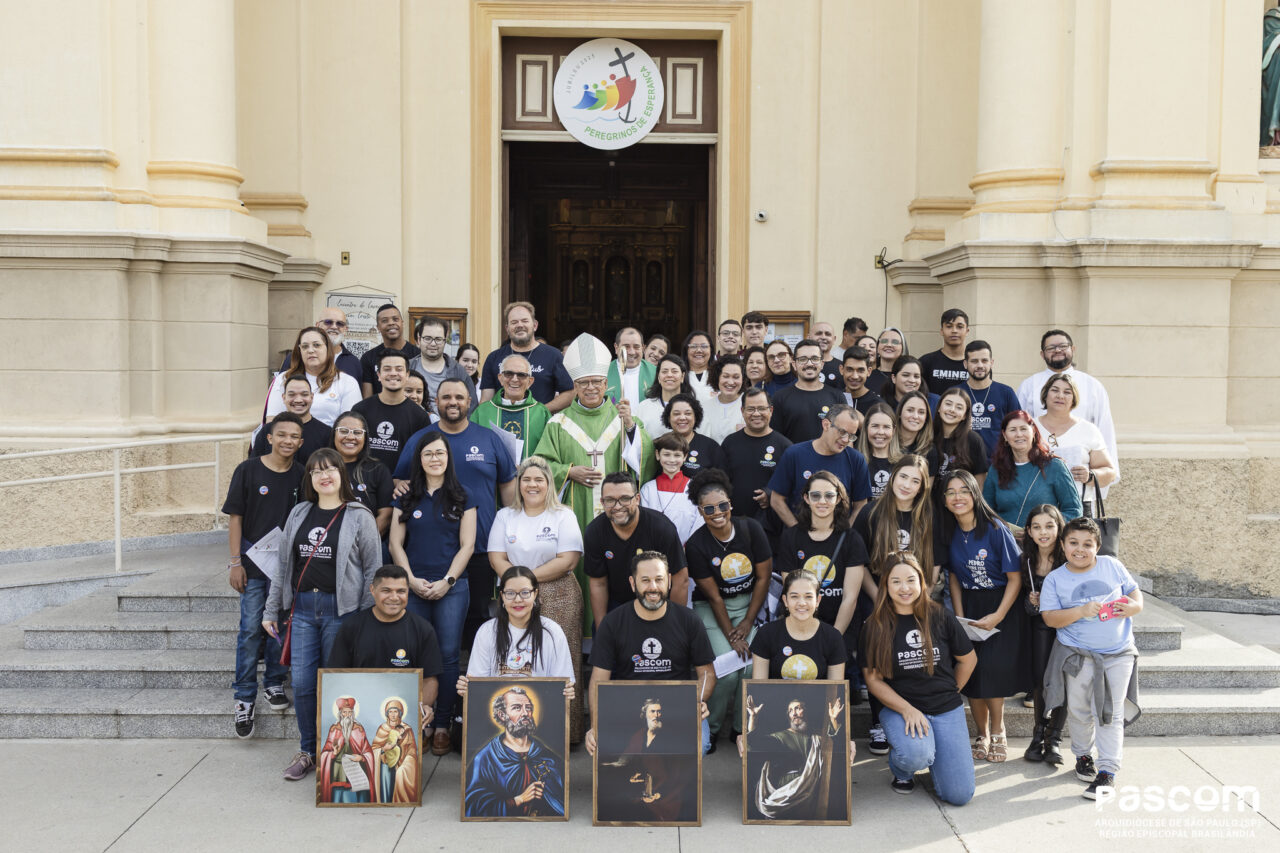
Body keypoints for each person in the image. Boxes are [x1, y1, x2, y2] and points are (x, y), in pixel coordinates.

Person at [262, 448, 382, 782]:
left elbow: (373, 570)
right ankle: (308, 751)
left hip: (340, 612)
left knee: (337, 685)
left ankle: (338, 754)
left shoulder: (359, 515)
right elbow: (283, 566)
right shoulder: (300, 513)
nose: (323, 475)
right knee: (301, 683)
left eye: (330, 469)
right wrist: (272, 608)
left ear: (342, 475)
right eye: (316, 471)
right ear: (310, 479)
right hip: (302, 611)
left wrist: (365, 616)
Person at [533, 333, 657, 631]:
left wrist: (629, 428)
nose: (590, 388)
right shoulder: (558, 423)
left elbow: (644, 463)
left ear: (606, 384)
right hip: (575, 514)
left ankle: (618, 633)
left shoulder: (623, 418)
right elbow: (537, 466)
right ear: (574, 387)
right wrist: (568, 471)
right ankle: (582, 640)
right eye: (583, 383)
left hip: (617, 515)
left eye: (596, 382)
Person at [394, 379, 517, 649]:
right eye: (446, 397)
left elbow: (508, 489)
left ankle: (467, 684)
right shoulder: (420, 440)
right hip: (429, 555)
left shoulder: (488, 438)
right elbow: (400, 482)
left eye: (459, 397)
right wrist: (399, 486)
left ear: (469, 402)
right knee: (428, 636)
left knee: (477, 621)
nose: (453, 402)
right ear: (436, 403)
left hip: (481, 548)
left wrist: (510, 536)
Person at [859, 554, 976, 803]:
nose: (904, 588)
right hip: (901, 709)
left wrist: (951, 692)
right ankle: (902, 769)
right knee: (917, 754)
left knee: (959, 795)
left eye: (911, 580)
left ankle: (935, 755)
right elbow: (873, 680)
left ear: (922, 582)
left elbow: (968, 660)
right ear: (886, 586)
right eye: (896, 581)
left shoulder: (941, 616)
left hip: (945, 708)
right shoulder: (875, 625)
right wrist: (907, 709)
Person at [388, 431, 478, 755]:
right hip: (413, 588)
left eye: (440, 453)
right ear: (420, 459)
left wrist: (448, 581)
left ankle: (441, 725)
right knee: (413, 656)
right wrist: (409, 580)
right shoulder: (407, 495)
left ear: (448, 458)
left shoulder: (463, 495)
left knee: (449, 654)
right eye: (428, 454)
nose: (435, 459)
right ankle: (416, 724)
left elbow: (468, 545)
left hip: (452, 589)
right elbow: (395, 543)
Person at [1040, 517, 1143, 799]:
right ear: (1062, 545)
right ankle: (1083, 755)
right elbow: (1050, 618)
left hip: (1117, 653)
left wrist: (1131, 607)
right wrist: (1081, 611)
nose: (1080, 549)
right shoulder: (1055, 579)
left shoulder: (1112, 566)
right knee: (1079, 710)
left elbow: (1136, 597)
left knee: (1109, 711)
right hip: (1076, 655)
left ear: (1098, 546)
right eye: (1073, 543)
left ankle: (1108, 771)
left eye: (1088, 544)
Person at [326, 564, 443, 803]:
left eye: (401, 591)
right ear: (372, 590)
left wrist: (425, 707)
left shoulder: (422, 629)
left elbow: (430, 678)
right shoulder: (352, 627)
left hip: (402, 717)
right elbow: (335, 678)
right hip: (360, 717)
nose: (394, 597)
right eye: (386, 590)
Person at [487, 459, 585, 739]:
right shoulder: (505, 515)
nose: (532, 484)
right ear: (518, 484)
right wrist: (520, 588)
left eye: (539, 479)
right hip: (515, 595)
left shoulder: (563, 515)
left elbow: (568, 560)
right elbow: (496, 557)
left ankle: (566, 732)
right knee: (517, 658)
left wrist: (524, 581)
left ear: (549, 484)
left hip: (559, 592)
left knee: (561, 660)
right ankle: (519, 729)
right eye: (526, 479)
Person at [584, 551, 717, 756]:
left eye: (659, 579)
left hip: (678, 707)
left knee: (700, 745)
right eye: (645, 580)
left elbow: (707, 674)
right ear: (632, 583)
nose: (653, 587)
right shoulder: (612, 623)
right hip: (627, 707)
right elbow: (597, 681)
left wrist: (697, 702)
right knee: (605, 747)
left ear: (669, 581)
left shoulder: (689, 621)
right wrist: (595, 726)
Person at [224, 412, 304, 738]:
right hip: (253, 566)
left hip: (286, 569)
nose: (288, 441)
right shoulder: (248, 470)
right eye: (281, 435)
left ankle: (273, 681)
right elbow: (235, 518)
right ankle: (244, 697)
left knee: (280, 628)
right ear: (269, 437)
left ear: (301, 442)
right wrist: (234, 562)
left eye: (294, 437)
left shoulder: (301, 475)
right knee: (249, 630)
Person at [940, 470, 1025, 764]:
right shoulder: (948, 530)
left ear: (975, 494)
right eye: (951, 492)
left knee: (991, 671)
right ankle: (981, 733)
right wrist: (960, 619)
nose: (957, 497)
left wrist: (998, 616)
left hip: (999, 603)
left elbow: (1015, 578)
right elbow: (953, 578)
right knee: (972, 673)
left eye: (963, 490)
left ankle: (998, 731)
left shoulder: (994, 528)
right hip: (968, 605)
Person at [685, 468, 772, 748]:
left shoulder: (750, 529)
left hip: (750, 603)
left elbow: (763, 578)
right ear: (700, 511)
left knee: (750, 668)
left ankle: (741, 729)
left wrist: (747, 623)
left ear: (730, 504)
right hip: (712, 609)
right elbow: (714, 598)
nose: (717, 512)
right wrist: (733, 636)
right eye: (709, 508)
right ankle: (709, 728)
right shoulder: (697, 544)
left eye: (722, 505)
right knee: (725, 669)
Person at [774, 473, 868, 691]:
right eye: (815, 495)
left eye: (829, 495)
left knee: (845, 692)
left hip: (840, 624)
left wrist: (831, 638)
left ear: (838, 499)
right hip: (802, 620)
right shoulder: (792, 537)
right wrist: (808, 637)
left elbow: (850, 597)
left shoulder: (851, 539)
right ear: (806, 498)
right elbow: (793, 596)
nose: (822, 501)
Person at [1016, 330, 1119, 491]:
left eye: (1063, 346)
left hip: (1081, 481)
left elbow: (1104, 429)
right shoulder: (1029, 386)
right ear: (1042, 354)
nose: (1058, 350)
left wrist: (1095, 477)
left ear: (1073, 349)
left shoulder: (1093, 386)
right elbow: (1018, 429)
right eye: (1051, 348)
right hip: (1038, 479)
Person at [584, 473, 689, 621]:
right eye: (610, 500)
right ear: (602, 502)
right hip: (617, 604)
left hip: (657, 600)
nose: (617, 506)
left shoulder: (661, 528)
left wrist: (674, 623)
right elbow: (598, 584)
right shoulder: (594, 532)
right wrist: (602, 629)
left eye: (625, 499)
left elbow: (681, 580)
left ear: (637, 499)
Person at [463, 684, 567, 818]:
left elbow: (561, 800)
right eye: (517, 708)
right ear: (502, 715)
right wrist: (519, 800)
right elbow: (474, 805)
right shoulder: (485, 758)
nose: (525, 713)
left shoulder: (548, 757)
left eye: (528, 708)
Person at [742, 694, 847, 820]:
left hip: (814, 790)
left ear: (806, 712)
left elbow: (837, 748)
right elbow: (755, 743)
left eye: (798, 708)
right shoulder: (780, 737)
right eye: (791, 711)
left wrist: (833, 719)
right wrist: (753, 717)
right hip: (787, 790)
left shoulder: (817, 737)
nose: (794, 713)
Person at [1018, 505, 1068, 765]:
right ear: (1029, 531)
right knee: (1039, 680)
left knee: (1062, 680)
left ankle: (1054, 739)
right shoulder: (1025, 559)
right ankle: (1038, 735)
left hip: (1067, 628)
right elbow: (1023, 606)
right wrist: (1031, 601)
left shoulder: (1068, 557)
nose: (1043, 532)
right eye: (1036, 527)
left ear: (1059, 527)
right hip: (1039, 628)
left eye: (1049, 526)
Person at [768, 404, 872, 528]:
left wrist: (844, 536)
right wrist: (797, 532)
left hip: (838, 540)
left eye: (851, 435)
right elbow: (776, 500)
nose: (846, 440)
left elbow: (860, 505)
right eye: (842, 432)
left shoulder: (856, 460)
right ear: (826, 425)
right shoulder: (794, 454)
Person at [1033, 373, 1118, 513]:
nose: (1060, 396)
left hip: (1079, 506)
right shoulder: (1030, 428)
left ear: (1073, 399)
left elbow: (1109, 472)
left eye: (1067, 392)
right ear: (1045, 395)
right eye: (1055, 390)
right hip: (1038, 506)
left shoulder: (1088, 430)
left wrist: (1090, 475)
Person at [983, 411, 1082, 528]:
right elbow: (986, 512)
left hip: (1044, 542)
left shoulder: (1054, 466)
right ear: (1005, 436)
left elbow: (1074, 511)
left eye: (1023, 429)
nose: (1019, 434)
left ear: (1034, 431)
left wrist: (1044, 528)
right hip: (1007, 541)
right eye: (1013, 430)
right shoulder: (996, 469)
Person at [721, 388, 793, 548]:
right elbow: (721, 483)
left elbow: (793, 488)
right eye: (751, 409)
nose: (756, 414)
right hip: (734, 527)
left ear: (771, 410)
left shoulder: (785, 447)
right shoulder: (730, 443)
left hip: (771, 532)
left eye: (761, 408)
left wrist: (770, 493)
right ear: (742, 411)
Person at [749, 569, 846, 681]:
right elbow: (758, 689)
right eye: (794, 596)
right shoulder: (766, 634)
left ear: (818, 600)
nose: (802, 603)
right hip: (775, 699)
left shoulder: (833, 637)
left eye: (808, 597)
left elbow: (836, 691)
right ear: (785, 601)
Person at [478, 301, 574, 412]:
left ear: (535, 325)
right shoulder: (494, 358)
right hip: (500, 424)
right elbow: (486, 399)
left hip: (540, 426)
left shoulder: (554, 355)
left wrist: (540, 411)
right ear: (507, 329)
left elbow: (570, 393)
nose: (519, 325)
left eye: (524, 321)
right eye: (514, 322)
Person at [264, 327, 362, 426]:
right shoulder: (283, 379)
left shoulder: (347, 382)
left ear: (328, 349)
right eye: (305, 346)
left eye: (316, 345)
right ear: (300, 351)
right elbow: (272, 422)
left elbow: (351, 426)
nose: (310, 350)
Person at [352, 350, 432, 473]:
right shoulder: (361, 410)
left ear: (407, 375)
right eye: (387, 369)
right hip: (365, 483)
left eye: (399, 369)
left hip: (402, 486)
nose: (393, 373)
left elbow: (423, 456)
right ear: (378, 375)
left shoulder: (419, 416)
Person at [470, 352, 550, 462]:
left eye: (521, 375)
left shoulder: (542, 413)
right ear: (500, 378)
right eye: (508, 374)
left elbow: (550, 454)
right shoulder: (482, 412)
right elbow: (472, 448)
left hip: (530, 477)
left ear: (530, 382)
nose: (514, 379)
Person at [769, 339, 846, 444]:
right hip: (793, 460)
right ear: (794, 364)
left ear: (822, 364)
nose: (809, 363)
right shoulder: (780, 398)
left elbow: (845, 435)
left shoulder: (837, 396)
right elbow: (775, 439)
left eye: (814, 358)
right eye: (803, 359)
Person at [330, 411, 393, 537]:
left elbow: (386, 515)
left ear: (365, 437)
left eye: (357, 432)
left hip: (364, 547)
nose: (350, 437)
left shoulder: (378, 470)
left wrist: (359, 543)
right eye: (343, 431)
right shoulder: (321, 468)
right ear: (334, 434)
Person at [250, 374, 333, 464]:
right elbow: (252, 468)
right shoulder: (268, 431)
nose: (298, 400)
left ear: (311, 397)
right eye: (292, 395)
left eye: (304, 394)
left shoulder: (326, 434)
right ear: (284, 398)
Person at [638, 433, 702, 544]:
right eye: (666, 454)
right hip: (655, 549)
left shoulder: (694, 487)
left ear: (685, 457)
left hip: (686, 550)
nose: (671, 460)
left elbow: (699, 522)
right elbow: (644, 522)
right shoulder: (648, 489)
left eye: (677, 455)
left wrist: (688, 546)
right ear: (658, 455)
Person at [961, 340, 1020, 455]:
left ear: (991, 363)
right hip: (964, 463)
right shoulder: (956, 393)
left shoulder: (1006, 393)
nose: (980, 365)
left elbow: (1018, 426)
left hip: (999, 463)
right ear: (965, 364)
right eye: (974, 361)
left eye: (984, 361)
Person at [407, 316, 477, 414]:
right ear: (419, 340)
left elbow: (472, 406)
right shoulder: (407, 368)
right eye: (427, 338)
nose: (433, 344)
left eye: (438, 339)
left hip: (451, 427)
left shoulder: (458, 371)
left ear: (445, 341)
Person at [276, 306, 363, 385]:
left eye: (340, 324)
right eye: (328, 322)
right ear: (317, 325)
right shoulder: (297, 357)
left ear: (345, 329)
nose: (334, 327)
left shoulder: (354, 363)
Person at [926, 387, 990, 488]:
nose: (952, 410)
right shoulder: (927, 437)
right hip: (931, 502)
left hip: (961, 501)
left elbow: (980, 482)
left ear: (965, 415)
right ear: (939, 408)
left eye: (959, 407)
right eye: (948, 404)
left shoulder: (973, 440)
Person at [318, 697, 376, 803]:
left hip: (356, 768)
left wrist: (362, 758)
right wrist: (333, 753)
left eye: (350, 712)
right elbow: (325, 753)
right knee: (338, 793)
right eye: (345, 712)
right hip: (339, 770)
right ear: (340, 714)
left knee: (359, 794)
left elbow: (368, 751)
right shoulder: (334, 729)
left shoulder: (359, 729)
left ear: (353, 714)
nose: (347, 715)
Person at [359, 303, 420, 397]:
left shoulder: (417, 354)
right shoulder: (368, 358)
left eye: (395, 319)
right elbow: (367, 399)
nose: (391, 323)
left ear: (402, 323)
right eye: (384, 321)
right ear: (378, 327)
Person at [662, 393, 726, 478]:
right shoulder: (660, 444)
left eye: (688, 413)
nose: (682, 417)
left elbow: (721, 482)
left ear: (696, 417)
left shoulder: (711, 447)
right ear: (669, 418)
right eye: (676, 414)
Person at [371, 698, 420, 804]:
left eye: (396, 711)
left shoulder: (407, 729)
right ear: (387, 714)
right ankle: (386, 803)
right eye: (390, 712)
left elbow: (412, 750)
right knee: (386, 776)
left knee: (400, 774)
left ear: (400, 713)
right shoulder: (382, 728)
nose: (393, 714)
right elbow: (374, 749)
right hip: (386, 763)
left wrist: (406, 764)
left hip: (402, 762)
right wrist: (384, 749)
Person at [634, 353, 694, 438]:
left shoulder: (692, 407)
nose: (669, 375)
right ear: (658, 377)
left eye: (674, 371)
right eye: (664, 371)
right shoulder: (644, 407)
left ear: (682, 376)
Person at [854, 403, 901, 500]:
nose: (880, 432)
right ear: (866, 428)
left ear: (894, 430)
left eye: (886, 427)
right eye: (875, 426)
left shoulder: (903, 463)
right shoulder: (855, 461)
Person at [918, 308, 971, 393]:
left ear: (967, 331)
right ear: (942, 331)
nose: (954, 331)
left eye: (959, 327)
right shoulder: (926, 362)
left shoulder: (975, 364)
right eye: (949, 326)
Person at [606, 326, 655, 406]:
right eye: (626, 347)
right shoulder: (603, 373)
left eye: (636, 347)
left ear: (643, 348)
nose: (632, 352)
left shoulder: (656, 373)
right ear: (616, 348)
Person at [702, 356, 746, 442]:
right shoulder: (704, 407)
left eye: (736, 377)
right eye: (725, 376)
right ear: (717, 377)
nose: (730, 382)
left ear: (743, 379)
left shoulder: (750, 404)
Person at [839, 346, 885, 417]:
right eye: (849, 369)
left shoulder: (878, 405)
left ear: (869, 371)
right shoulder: (833, 399)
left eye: (860, 370)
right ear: (841, 370)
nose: (855, 376)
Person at [867, 327, 908, 395]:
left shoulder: (908, 377)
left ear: (903, 348)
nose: (889, 345)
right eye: (884, 341)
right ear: (877, 346)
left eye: (895, 342)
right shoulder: (867, 376)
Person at [895, 391, 934, 455]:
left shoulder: (930, 451)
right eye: (910, 410)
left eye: (921, 412)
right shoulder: (886, 442)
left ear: (926, 418)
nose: (915, 416)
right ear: (900, 412)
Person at [682, 329, 715, 400]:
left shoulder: (719, 374)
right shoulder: (680, 376)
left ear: (711, 350)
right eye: (693, 346)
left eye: (704, 346)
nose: (699, 350)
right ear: (686, 350)